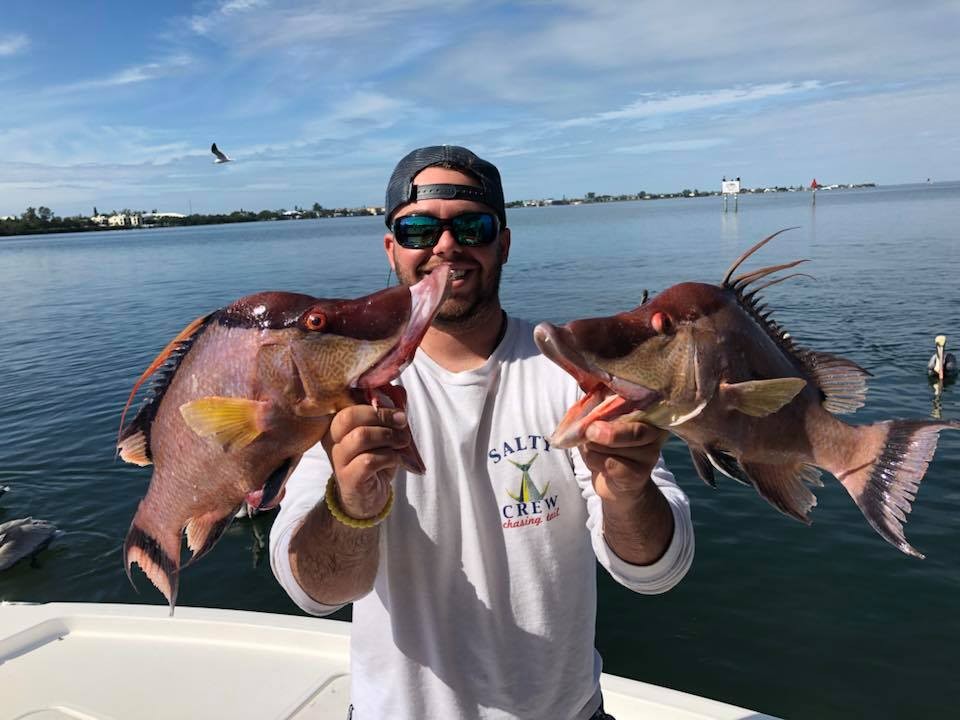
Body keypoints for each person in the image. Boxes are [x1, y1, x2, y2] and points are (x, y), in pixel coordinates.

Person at [270, 145, 695, 720]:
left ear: (505, 243)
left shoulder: (573, 371)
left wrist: (627, 494)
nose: (447, 245)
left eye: (472, 225)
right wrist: (349, 505)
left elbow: (655, 571)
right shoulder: (336, 387)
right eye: (419, 228)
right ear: (392, 249)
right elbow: (315, 592)